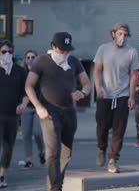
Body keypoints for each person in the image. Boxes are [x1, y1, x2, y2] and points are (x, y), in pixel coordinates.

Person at [25, 32, 91, 191]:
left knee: (66, 153)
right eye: (62, 50)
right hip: (48, 112)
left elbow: (87, 83)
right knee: (53, 151)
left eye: (67, 50)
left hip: (69, 112)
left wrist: (82, 93)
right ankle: (56, 187)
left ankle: (55, 183)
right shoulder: (41, 61)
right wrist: (39, 107)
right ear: (53, 46)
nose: (65, 53)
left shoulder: (74, 61)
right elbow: (29, 86)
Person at [93, 23, 139, 173]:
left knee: (119, 130)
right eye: (120, 34)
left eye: (125, 35)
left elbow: (133, 76)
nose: (122, 37)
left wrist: (132, 97)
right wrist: (98, 87)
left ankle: (113, 159)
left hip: (123, 95)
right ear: (113, 34)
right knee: (102, 127)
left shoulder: (132, 52)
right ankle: (101, 148)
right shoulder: (103, 49)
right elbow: (97, 71)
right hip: (104, 95)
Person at [0, 40, 28, 188]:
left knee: (8, 146)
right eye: (4, 52)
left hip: (12, 115)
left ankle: (2, 175)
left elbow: (25, 92)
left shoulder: (20, 71)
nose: (7, 55)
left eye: (9, 52)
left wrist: (23, 104)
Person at [21, 50, 46, 168]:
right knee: (26, 134)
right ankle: (29, 160)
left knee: (37, 133)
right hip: (26, 107)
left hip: (38, 107)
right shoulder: (22, 73)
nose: (30, 59)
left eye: (33, 57)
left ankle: (42, 152)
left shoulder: (41, 73)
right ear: (25, 60)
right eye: (28, 57)